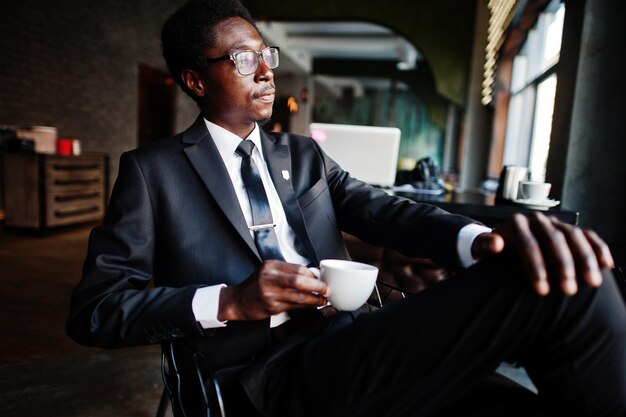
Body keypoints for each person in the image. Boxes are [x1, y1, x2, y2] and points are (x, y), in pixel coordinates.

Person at [66, 0, 626, 416]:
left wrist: (477, 241)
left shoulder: (304, 155)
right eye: (242, 58)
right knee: (570, 284)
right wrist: (232, 301)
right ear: (194, 80)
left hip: (354, 340)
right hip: (267, 378)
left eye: (266, 54)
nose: (265, 71)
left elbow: (386, 210)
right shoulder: (153, 171)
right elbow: (96, 311)